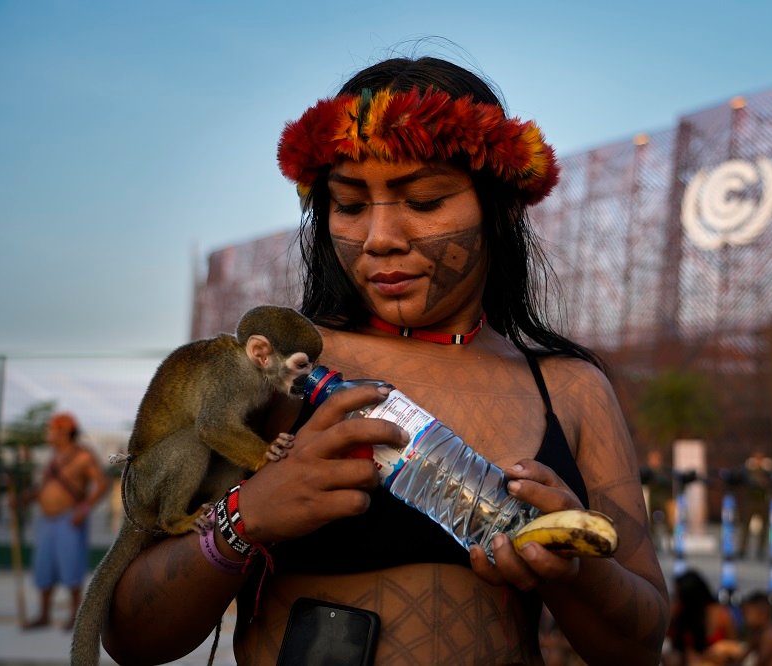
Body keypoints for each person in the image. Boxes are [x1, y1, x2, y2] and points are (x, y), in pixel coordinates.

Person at [99, 56, 669, 665]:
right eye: (348, 206)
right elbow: (130, 635)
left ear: (500, 209)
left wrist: (575, 574)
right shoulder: (282, 373)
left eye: (423, 201)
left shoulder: (569, 389)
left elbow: (638, 649)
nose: (379, 236)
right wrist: (246, 516)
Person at [21, 412, 109, 630]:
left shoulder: (83, 457)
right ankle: (44, 614)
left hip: (69, 520)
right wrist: (23, 499)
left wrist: (84, 508)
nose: (49, 433)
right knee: (44, 567)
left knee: (71, 567)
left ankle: (74, 616)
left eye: (53, 429)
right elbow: (44, 488)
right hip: (47, 521)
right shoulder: (53, 459)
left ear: (65, 432)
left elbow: (102, 484)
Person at [663, 569, 737, 665]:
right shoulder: (682, 617)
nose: (676, 601)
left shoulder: (721, 616)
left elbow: (735, 651)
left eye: (679, 596)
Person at [738, 591, 772, 666]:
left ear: (762, 614)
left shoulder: (769, 635)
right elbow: (746, 653)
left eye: (747, 614)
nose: (745, 619)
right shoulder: (758, 633)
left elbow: (761, 661)